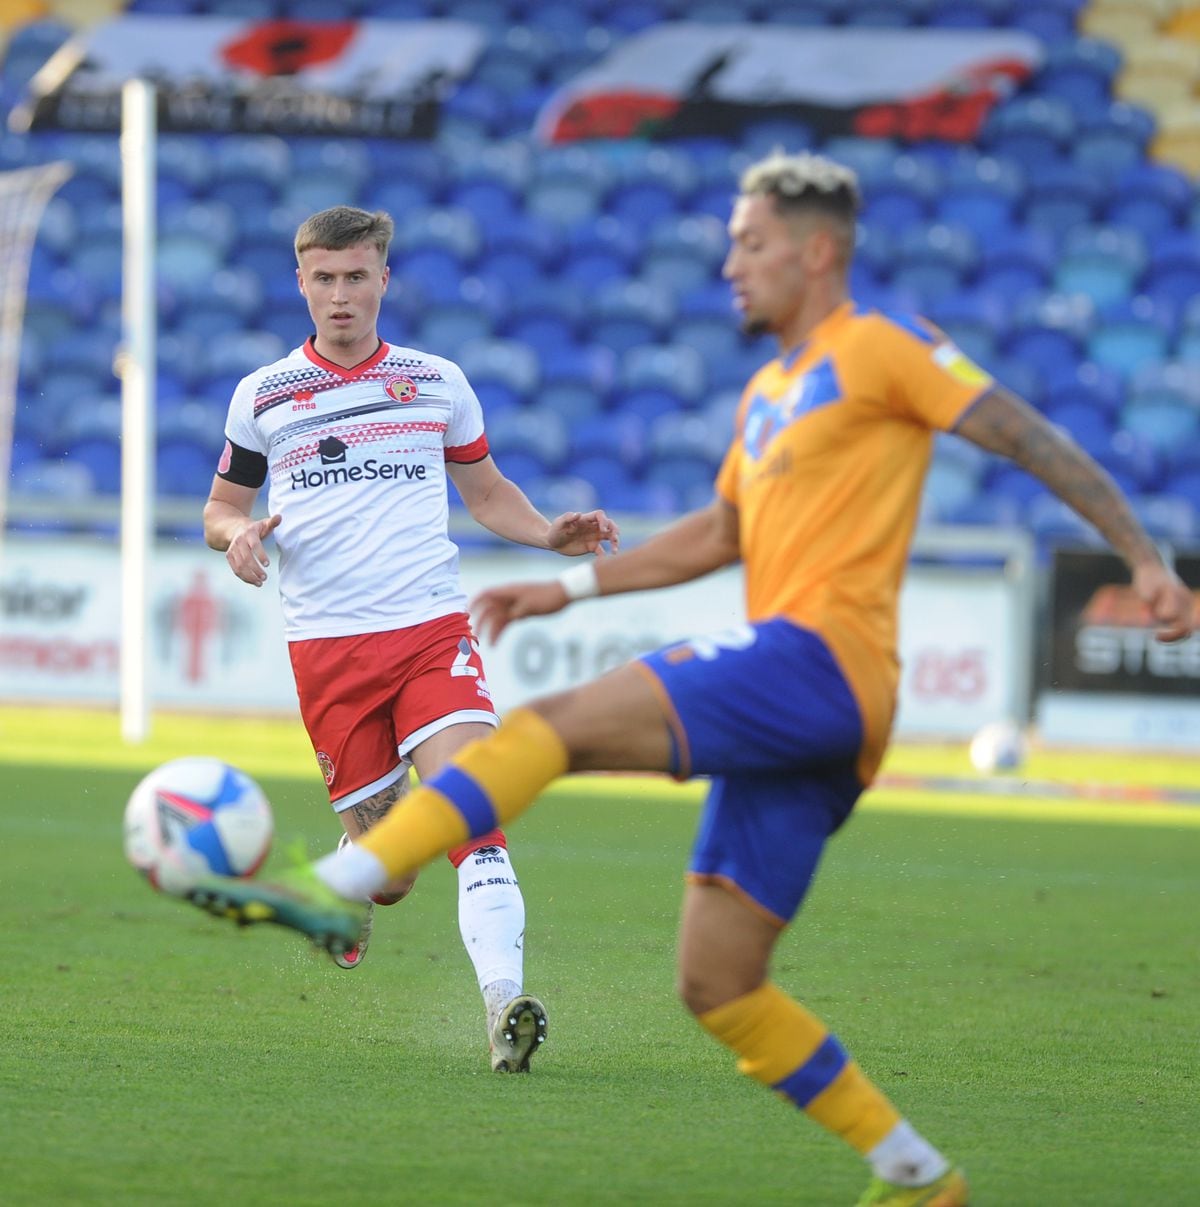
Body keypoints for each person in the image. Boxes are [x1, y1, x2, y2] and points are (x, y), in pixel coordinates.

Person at [186, 156, 1195, 1203]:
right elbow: (721, 530)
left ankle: (322, 890)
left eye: (748, 243)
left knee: (551, 731)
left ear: (814, 251)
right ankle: (919, 1175)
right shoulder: (769, 393)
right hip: (779, 715)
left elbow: (1027, 434)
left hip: (819, 660)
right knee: (718, 983)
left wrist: (1146, 559)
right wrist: (567, 586)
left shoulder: (882, 347)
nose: (727, 265)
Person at [202, 204, 619, 1073]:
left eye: (358, 277)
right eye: (325, 279)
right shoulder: (264, 395)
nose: (341, 295)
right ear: (301, 283)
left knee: (474, 808)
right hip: (328, 649)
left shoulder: (436, 380)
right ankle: (350, 875)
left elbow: (489, 491)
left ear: (385, 279)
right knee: (393, 873)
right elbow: (221, 506)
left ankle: (505, 1005)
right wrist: (235, 537)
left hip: (431, 630)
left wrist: (547, 534)